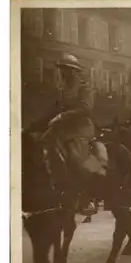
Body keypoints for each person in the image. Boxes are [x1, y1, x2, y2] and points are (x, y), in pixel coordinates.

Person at [31, 54, 107, 191]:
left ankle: (88, 190)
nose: (62, 73)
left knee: (76, 158)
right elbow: (51, 111)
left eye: (65, 69)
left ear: (74, 71)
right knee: (40, 146)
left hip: (81, 127)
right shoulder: (62, 90)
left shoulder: (84, 88)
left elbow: (85, 108)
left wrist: (61, 116)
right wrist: (30, 127)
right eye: (61, 69)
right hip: (63, 129)